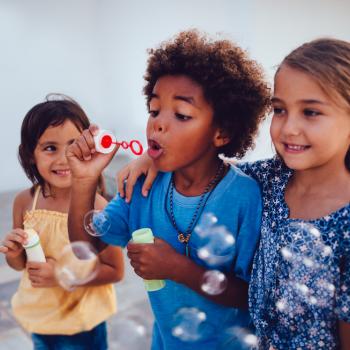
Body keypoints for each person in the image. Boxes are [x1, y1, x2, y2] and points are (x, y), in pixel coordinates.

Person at [117, 38, 350, 349]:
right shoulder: (270, 178)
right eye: (279, 110)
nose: (288, 127)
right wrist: (155, 155)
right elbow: (205, 161)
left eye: (310, 112)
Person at [66, 30, 270, 349]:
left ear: (222, 131)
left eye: (182, 114)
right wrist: (83, 180)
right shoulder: (144, 186)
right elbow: (86, 246)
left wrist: (177, 268)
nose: (158, 124)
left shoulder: (244, 197)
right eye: (154, 110)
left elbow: (251, 295)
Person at [0, 95, 124, 350]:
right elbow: (21, 265)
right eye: (49, 148)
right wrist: (13, 254)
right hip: (40, 317)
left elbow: (115, 271)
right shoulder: (25, 201)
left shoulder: (99, 208)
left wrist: (61, 275)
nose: (64, 158)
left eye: (73, 145)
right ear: (30, 155)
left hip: (79, 321)